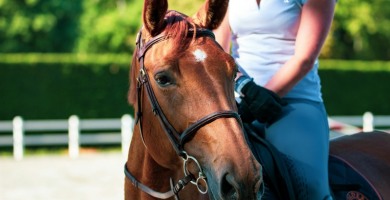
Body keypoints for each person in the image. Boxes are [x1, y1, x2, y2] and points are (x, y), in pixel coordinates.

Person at [214, 0, 336, 199]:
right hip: (237, 102)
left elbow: (304, 59)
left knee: (309, 187)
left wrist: (259, 98)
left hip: (294, 101)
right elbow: (215, 51)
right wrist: (244, 87)